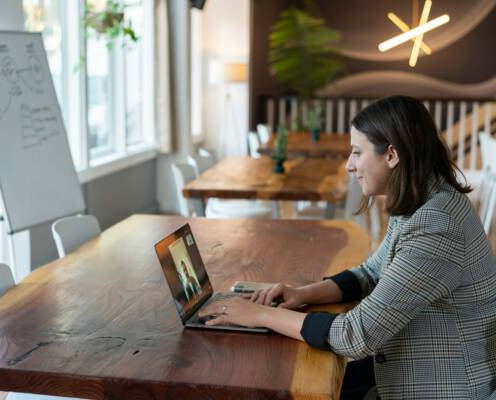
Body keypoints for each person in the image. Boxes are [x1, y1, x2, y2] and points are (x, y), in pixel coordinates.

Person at [199, 95, 496, 399]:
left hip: (444, 387)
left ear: (392, 154)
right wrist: (302, 293)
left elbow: (356, 335)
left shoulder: (437, 223)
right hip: (411, 367)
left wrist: (259, 316)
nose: (349, 165)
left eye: (357, 152)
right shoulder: (423, 198)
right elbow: (370, 272)